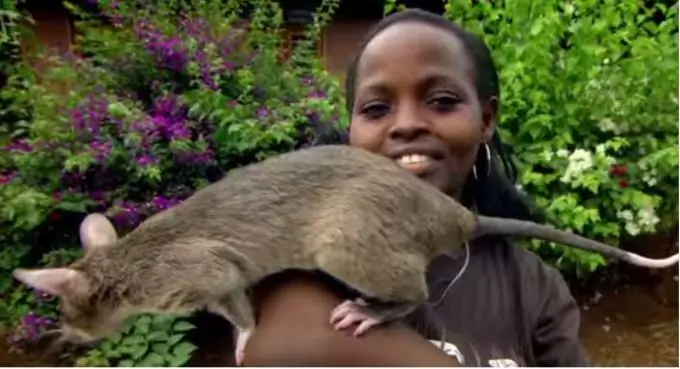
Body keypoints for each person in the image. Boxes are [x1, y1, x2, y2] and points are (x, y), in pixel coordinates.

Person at [214, 8, 591, 367]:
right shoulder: (303, 256)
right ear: (352, 132)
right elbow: (289, 347)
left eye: (442, 101)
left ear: (486, 119)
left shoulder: (534, 289)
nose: (406, 125)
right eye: (377, 110)